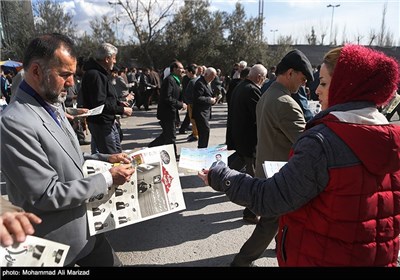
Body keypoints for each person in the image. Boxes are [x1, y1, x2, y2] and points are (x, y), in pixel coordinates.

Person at [199, 44, 400, 267]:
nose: (316, 90)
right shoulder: (392, 139)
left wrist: (222, 175)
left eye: (323, 83)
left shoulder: (321, 142)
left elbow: (271, 197)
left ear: (346, 87)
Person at [0, 33, 135, 267]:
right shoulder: (14, 122)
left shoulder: (52, 104)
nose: (72, 83)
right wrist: (106, 177)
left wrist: (104, 158)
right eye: (65, 75)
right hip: (59, 247)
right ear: (35, 72)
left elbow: (67, 158)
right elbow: (46, 194)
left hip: (88, 233)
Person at [227, 64, 268, 225]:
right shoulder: (252, 90)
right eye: (263, 79)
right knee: (255, 178)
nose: (263, 82)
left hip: (240, 138)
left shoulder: (240, 86)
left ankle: (218, 172)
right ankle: (250, 212)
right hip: (249, 141)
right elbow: (258, 117)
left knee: (236, 165)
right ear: (259, 77)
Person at [81, 42, 133, 154]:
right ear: (107, 59)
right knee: (112, 157)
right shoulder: (95, 75)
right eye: (114, 58)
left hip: (107, 121)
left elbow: (106, 97)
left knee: (118, 153)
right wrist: (122, 110)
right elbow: (100, 103)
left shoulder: (100, 74)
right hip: (102, 123)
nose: (115, 62)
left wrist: (118, 103)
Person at [148, 61, 187, 159]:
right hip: (167, 113)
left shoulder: (176, 80)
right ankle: (172, 156)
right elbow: (167, 97)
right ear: (174, 69)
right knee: (171, 136)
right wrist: (180, 104)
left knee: (166, 135)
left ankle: (150, 148)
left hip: (172, 112)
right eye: (181, 68)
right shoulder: (169, 80)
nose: (182, 70)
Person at [192, 67, 218, 148]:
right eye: (212, 76)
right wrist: (209, 100)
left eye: (214, 77)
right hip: (200, 113)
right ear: (206, 74)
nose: (213, 79)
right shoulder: (200, 83)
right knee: (204, 131)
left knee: (205, 132)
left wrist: (214, 99)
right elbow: (197, 98)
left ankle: (203, 148)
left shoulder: (207, 82)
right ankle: (202, 149)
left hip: (205, 112)